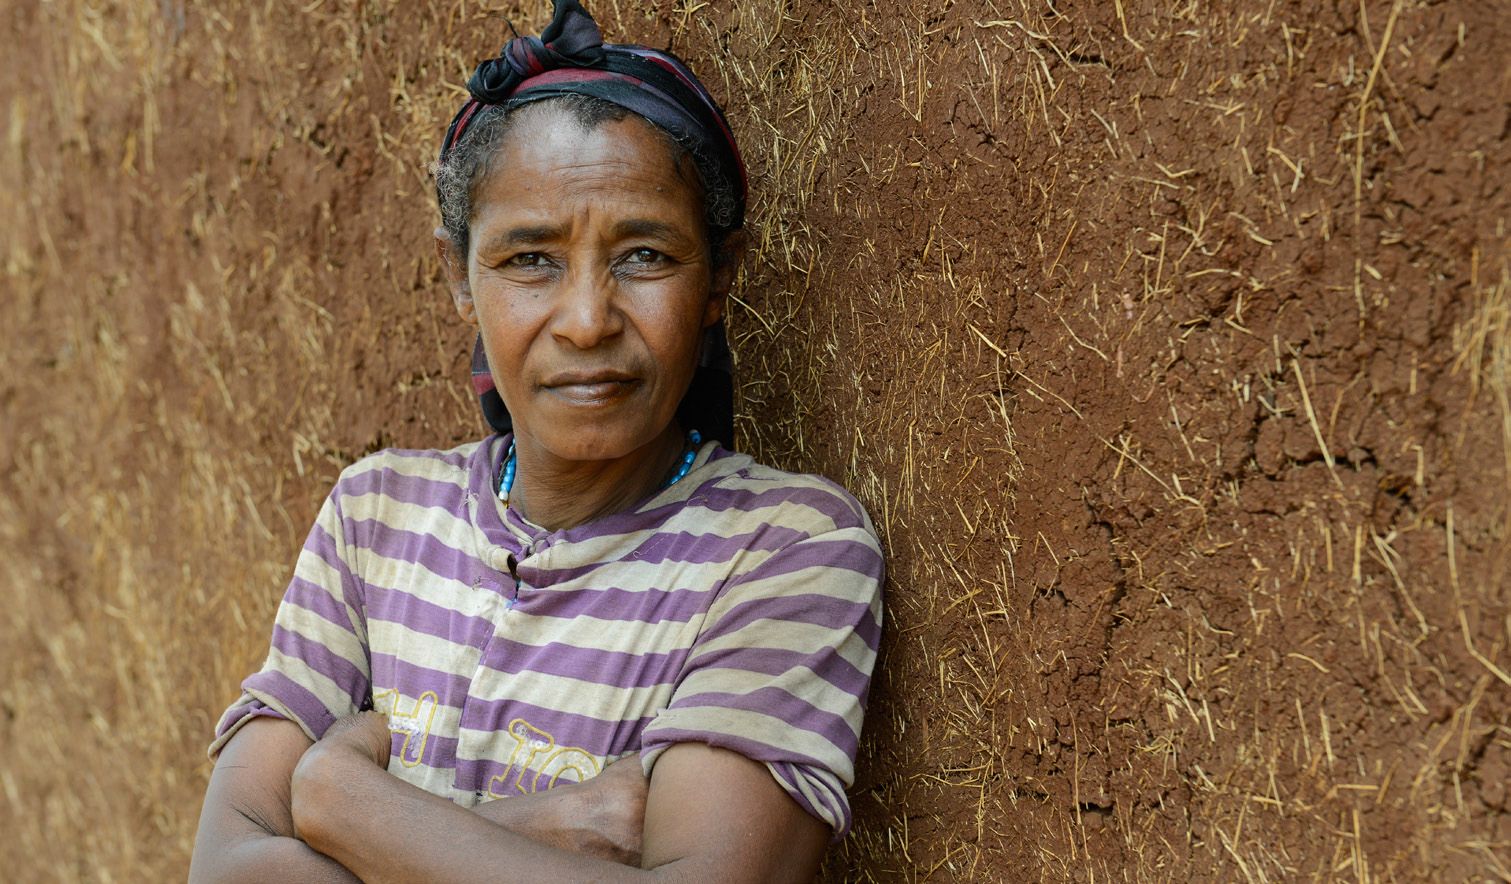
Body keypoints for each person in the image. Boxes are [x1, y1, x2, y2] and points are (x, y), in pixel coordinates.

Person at [187, 1, 884, 881]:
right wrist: (556, 823)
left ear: (719, 279)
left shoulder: (784, 550)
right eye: (529, 260)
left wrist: (336, 798)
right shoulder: (377, 520)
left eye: (645, 256)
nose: (588, 320)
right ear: (458, 276)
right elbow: (225, 868)